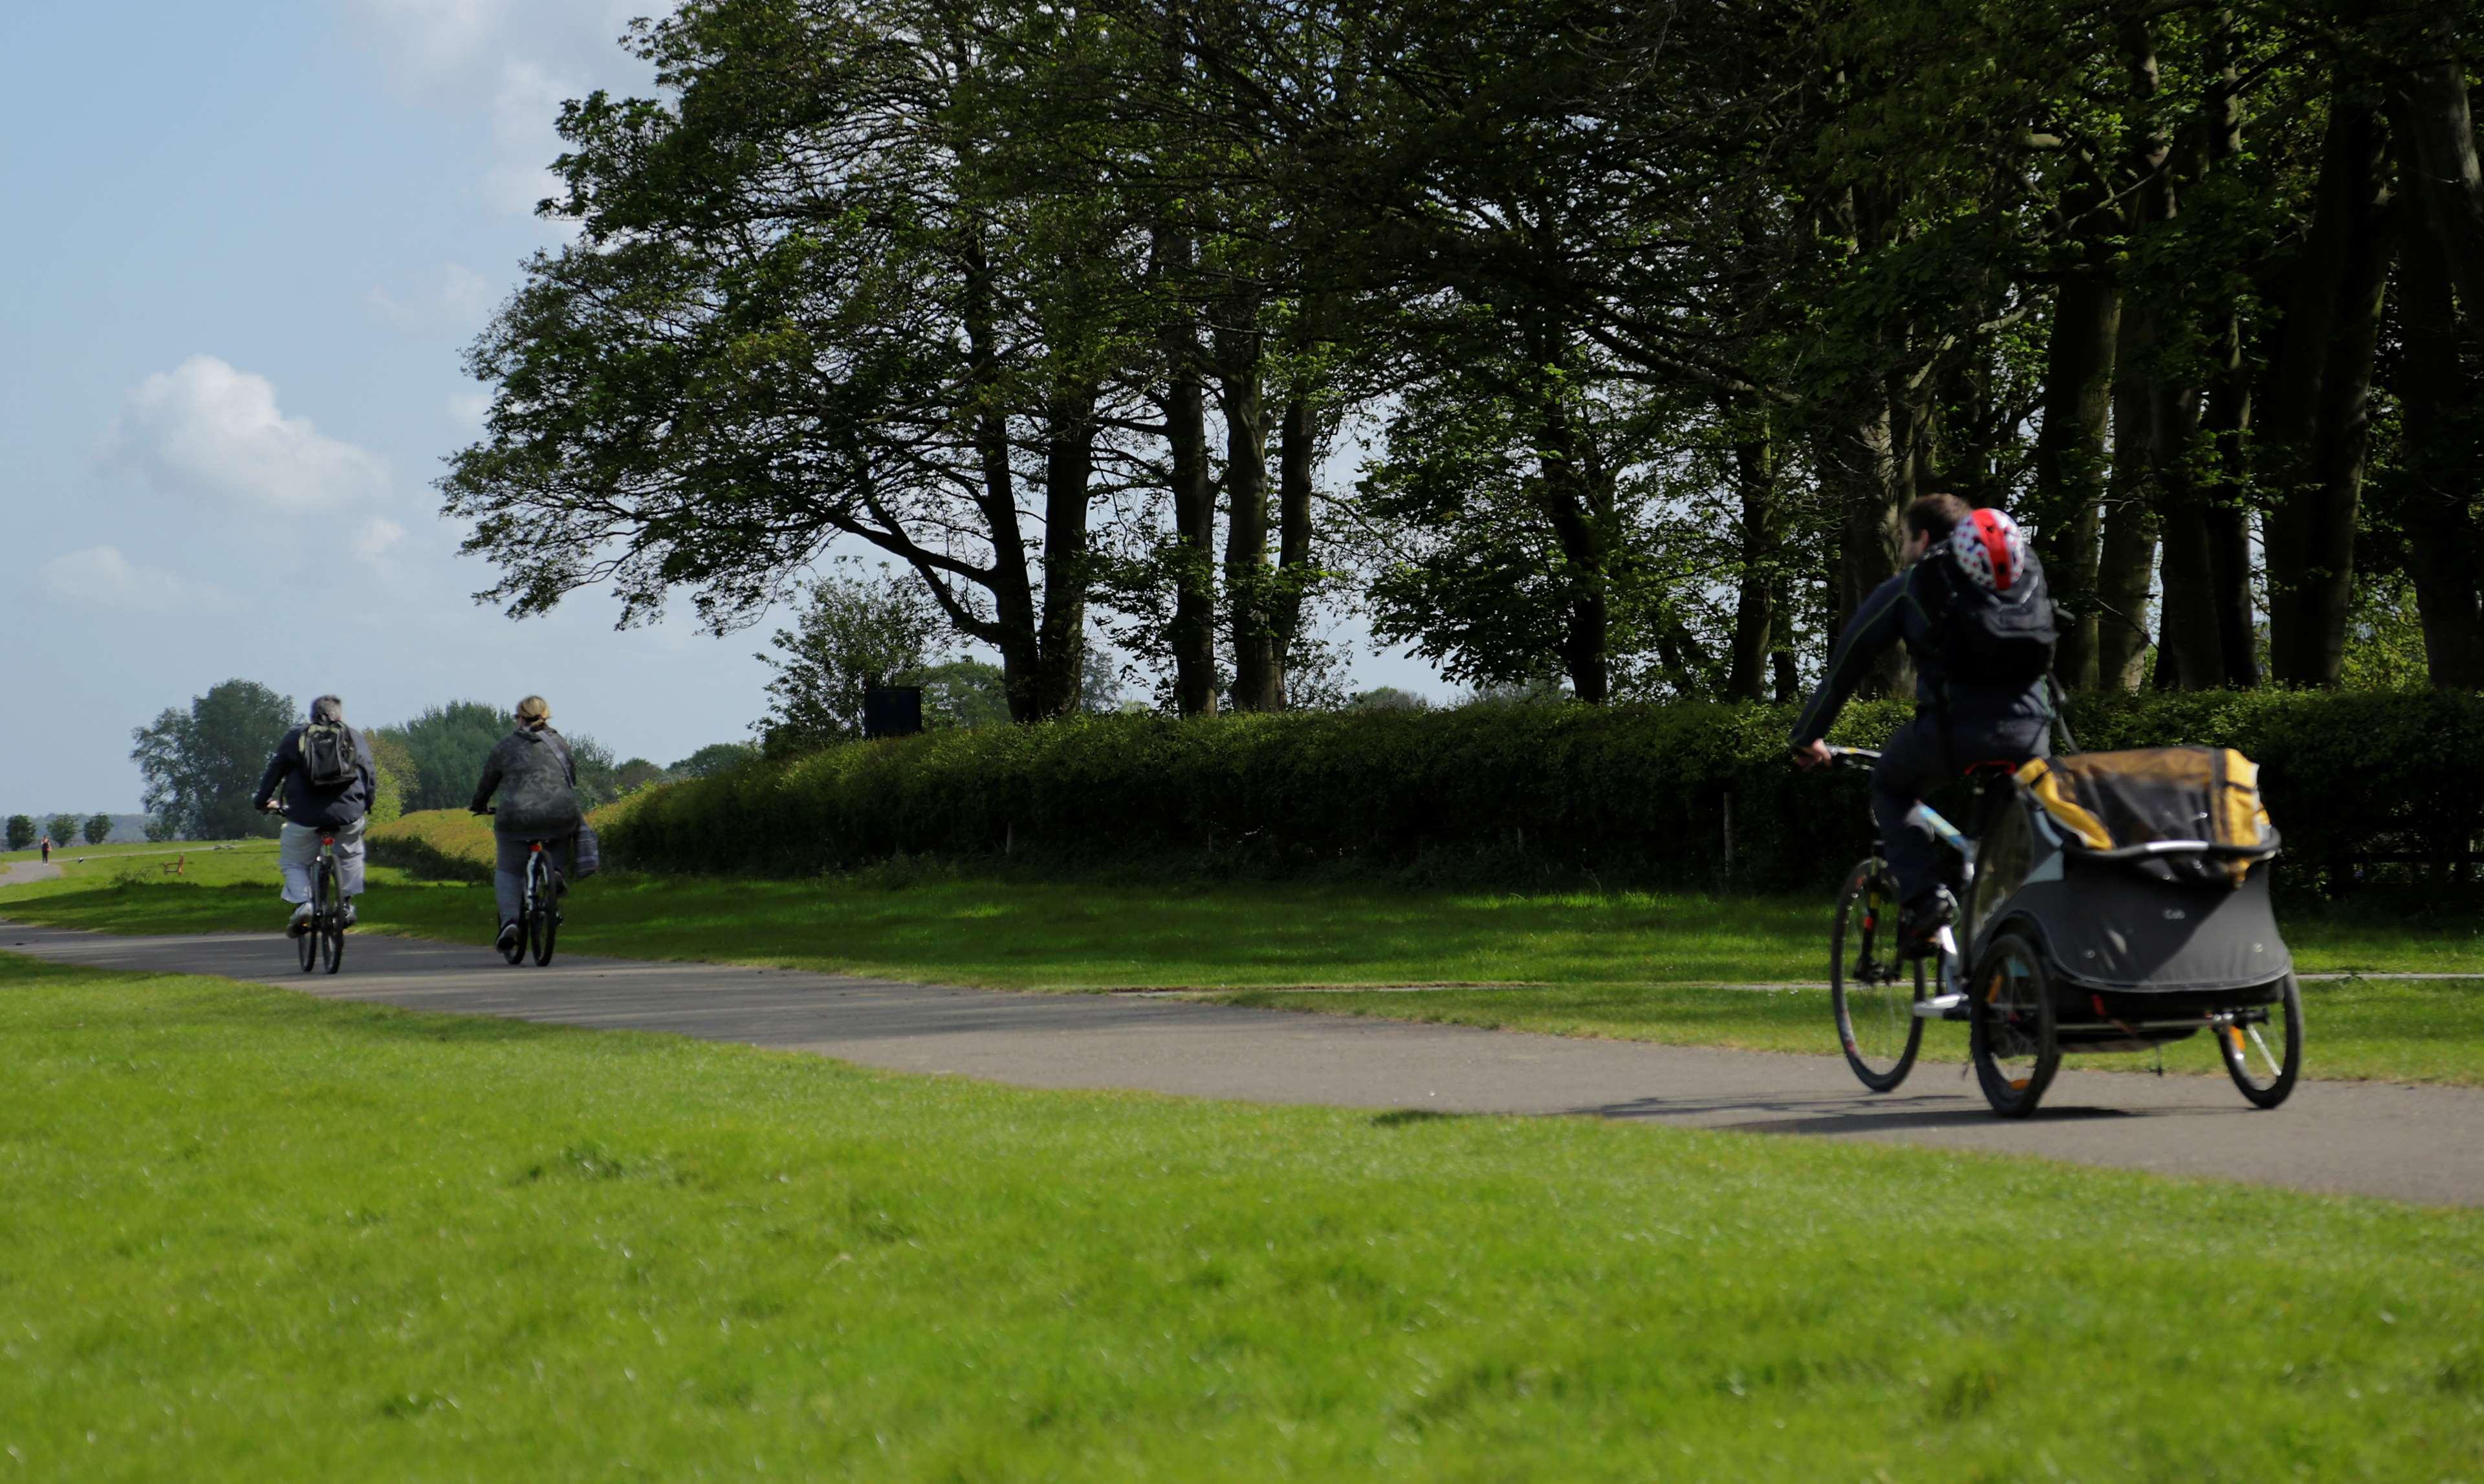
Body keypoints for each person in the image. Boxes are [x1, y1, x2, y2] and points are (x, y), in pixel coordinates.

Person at [1791, 494, 2058, 957]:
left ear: (1925, 539)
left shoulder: (1915, 584)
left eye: (1902, 539)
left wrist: (1807, 736)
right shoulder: (2021, 575)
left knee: (1892, 786)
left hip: (1956, 733)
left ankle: (1926, 901)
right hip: (2033, 735)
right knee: (1999, 855)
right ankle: (2003, 978)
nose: (1901, 550)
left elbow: (1845, 669)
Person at [252, 695, 378, 934]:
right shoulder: (354, 736)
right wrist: (366, 804)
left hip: (304, 815)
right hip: (348, 814)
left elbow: (275, 771)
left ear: (312, 715)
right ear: (339, 715)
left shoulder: (295, 736)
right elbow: (369, 775)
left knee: (294, 861)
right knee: (351, 854)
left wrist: (261, 802)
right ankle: (346, 905)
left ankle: (304, 904)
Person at [468, 695, 583, 957]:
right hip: (559, 811)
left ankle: (510, 922)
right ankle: (554, 871)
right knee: (562, 834)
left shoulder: (507, 745)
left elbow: (488, 781)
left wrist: (479, 805)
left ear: (520, 717)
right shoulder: (560, 744)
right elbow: (571, 777)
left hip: (516, 816)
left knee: (509, 870)